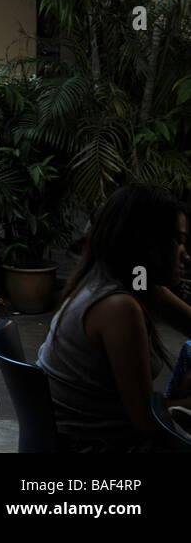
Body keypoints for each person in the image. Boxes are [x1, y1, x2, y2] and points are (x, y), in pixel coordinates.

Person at [36, 183, 191, 452]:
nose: (186, 255)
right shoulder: (118, 307)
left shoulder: (124, 282)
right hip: (96, 447)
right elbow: (147, 422)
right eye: (177, 241)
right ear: (148, 243)